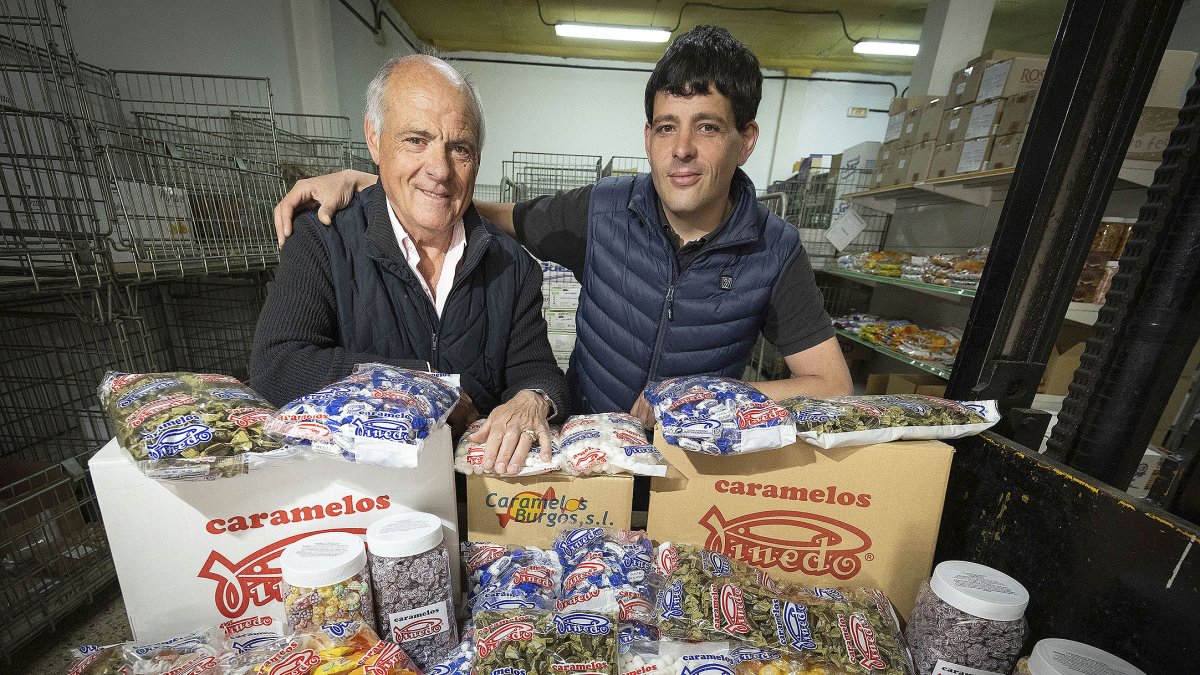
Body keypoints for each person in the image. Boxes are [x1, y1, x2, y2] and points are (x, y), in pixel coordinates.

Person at [272, 26, 852, 424]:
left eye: (707, 127)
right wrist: (382, 183)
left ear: (746, 140)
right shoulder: (601, 211)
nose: (681, 150)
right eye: (665, 127)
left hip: (696, 466)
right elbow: (486, 212)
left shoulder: (774, 250)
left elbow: (832, 385)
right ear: (646, 136)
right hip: (589, 460)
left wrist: (705, 397)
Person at [250, 54, 566, 475]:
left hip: (479, 505)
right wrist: (426, 386)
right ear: (374, 139)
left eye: (459, 148)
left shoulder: (512, 267)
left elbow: (536, 369)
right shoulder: (322, 240)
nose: (440, 169)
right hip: (359, 498)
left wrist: (533, 398)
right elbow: (278, 367)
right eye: (416, 140)